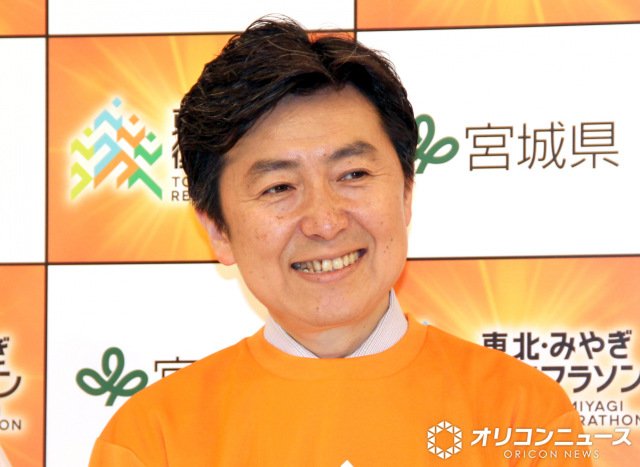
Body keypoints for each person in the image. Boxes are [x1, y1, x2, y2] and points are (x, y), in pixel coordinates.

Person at [89, 16, 591, 466]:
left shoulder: (525, 416)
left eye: (353, 174)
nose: (325, 222)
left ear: (406, 193)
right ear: (219, 230)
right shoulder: (152, 441)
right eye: (278, 187)